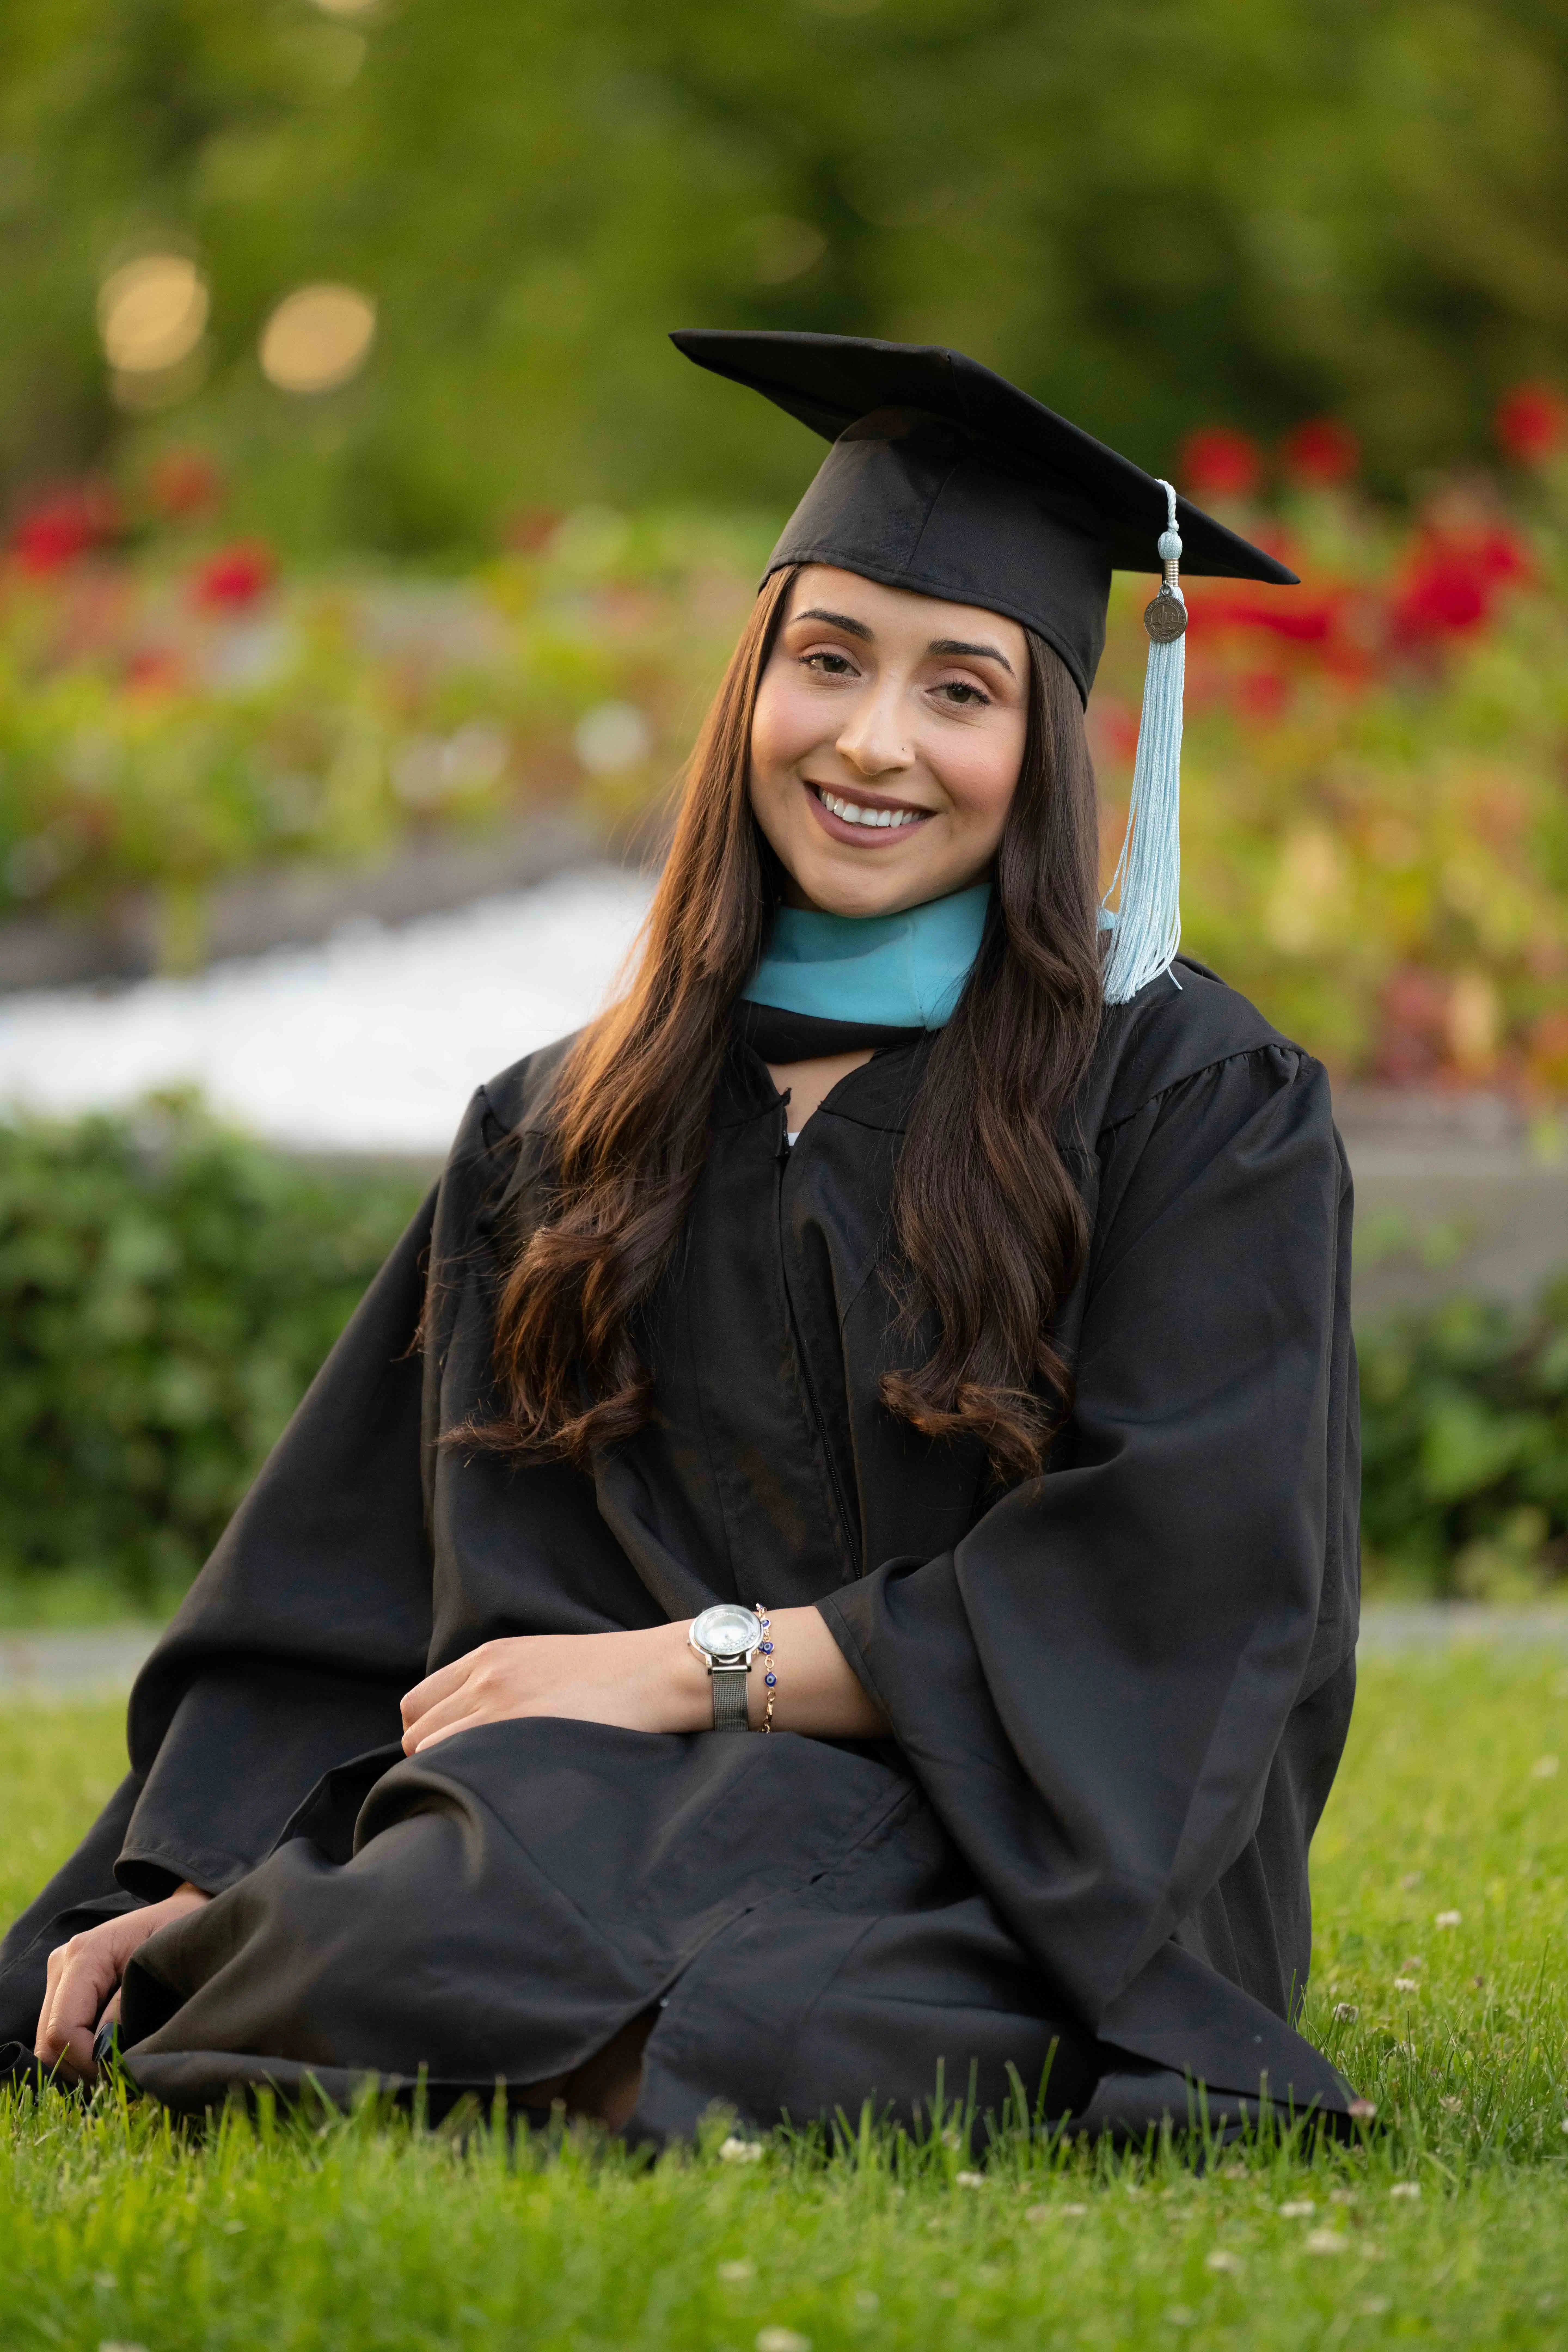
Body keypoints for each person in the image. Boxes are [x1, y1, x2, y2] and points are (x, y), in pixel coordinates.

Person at [0, 333, 1360, 2145]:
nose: (876, 743)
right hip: (615, 1822)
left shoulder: (1188, 1095)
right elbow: (342, 1581)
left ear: (1046, 744)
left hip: (1035, 1848)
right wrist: (204, 1861)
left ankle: (418, 2002)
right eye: (829, 661)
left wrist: (688, 1665)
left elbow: (1186, 1577)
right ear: (754, 693)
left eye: (961, 690)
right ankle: (381, 1978)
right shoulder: (569, 1121)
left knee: (702, 1982)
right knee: (456, 1909)